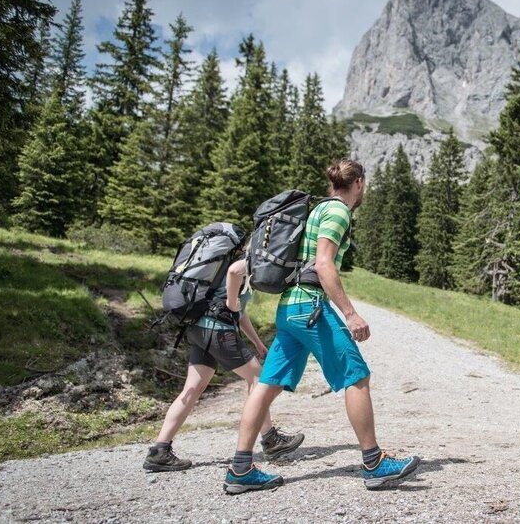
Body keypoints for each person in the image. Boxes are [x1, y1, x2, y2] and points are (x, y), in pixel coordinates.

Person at [222, 158, 419, 495]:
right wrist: (351, 313)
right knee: (356, 376)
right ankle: (374, 462)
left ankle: (240, 468)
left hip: (289, 309)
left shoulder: (315, 210)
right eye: (364, 183)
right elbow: (325, 263)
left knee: (266, 386)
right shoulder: (338, 211)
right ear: (358, 182)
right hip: (311, 306)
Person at [143, 257, 305, 472]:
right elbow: (233, 274)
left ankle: (159, 450)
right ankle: (271, 439)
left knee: (193, 388)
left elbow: (240, 312)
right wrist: (230, 301)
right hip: (217, 329)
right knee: (258, 379)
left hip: (199, 329)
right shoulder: (249, 258)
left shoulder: (217, 267)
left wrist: (257, 342)